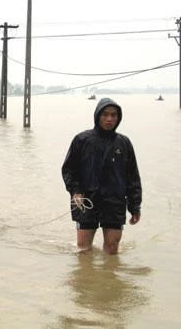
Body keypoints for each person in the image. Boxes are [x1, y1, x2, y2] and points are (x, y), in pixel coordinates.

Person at [61, 98, 142, 255]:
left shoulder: (124, 143)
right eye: (105, 114)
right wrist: (75, 191)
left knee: (112, 250)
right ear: (97, 116)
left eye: (113, 115)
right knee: (83, 249)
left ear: (118, 118)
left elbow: (133, 177)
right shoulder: (82, 140)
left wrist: (135, 206)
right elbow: (69, 169)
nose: (109, 119)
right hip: (86, 200)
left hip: (115, 201)